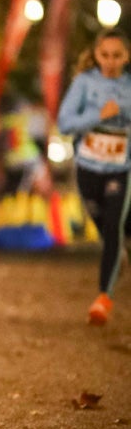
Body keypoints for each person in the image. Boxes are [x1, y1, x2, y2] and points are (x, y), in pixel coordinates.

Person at [57, 27, 131, 325]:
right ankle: (119, 255)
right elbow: (65, 123)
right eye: (105, 55)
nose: (111, 61)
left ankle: (104, 297)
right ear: (96, 55)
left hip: (121, 168)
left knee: (113, 227)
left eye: (117, 55)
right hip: (88, 168)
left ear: (127, 57)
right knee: (103, 224)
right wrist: (97, 116)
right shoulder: (84, 83)